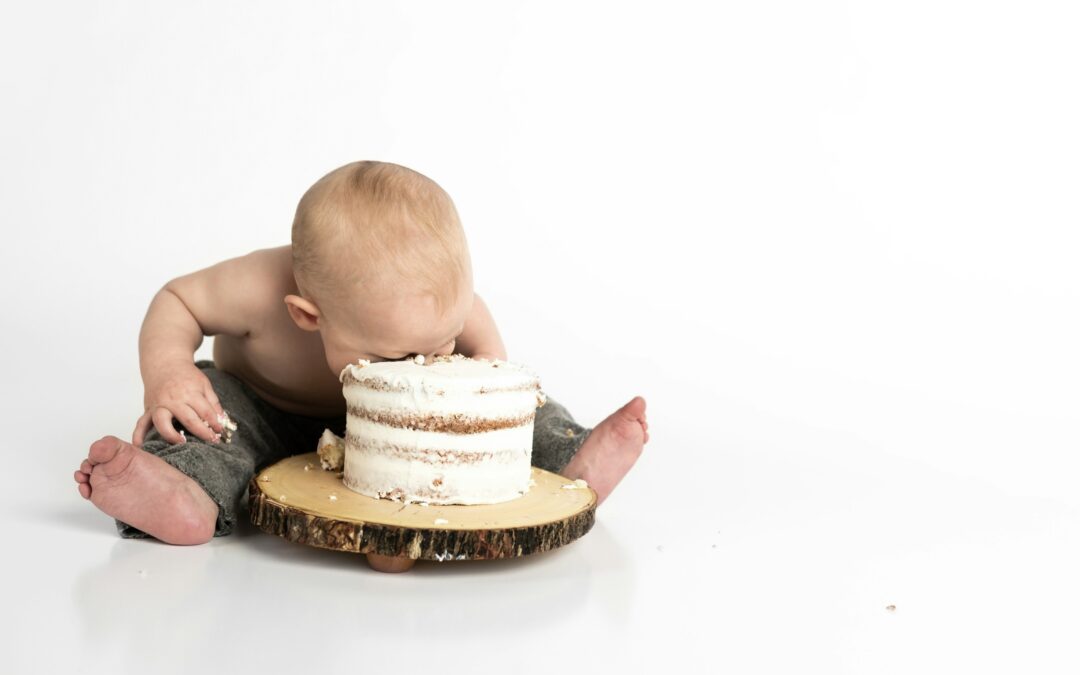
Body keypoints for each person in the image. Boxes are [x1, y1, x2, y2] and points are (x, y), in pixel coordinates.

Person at [74, 160, 649, 546]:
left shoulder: (432, 305)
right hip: (266, 410)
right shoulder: (256, 288)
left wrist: (482, 383)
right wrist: (167, 372)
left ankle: (569, 457)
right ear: (307, 314)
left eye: (439, 344)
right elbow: (177, 300)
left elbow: (480, 337)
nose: (418, 367)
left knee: (526, 405)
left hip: (406, 431)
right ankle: (182, 492)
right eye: (395, 356)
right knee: (210, 419)